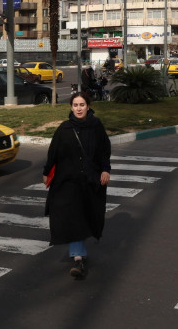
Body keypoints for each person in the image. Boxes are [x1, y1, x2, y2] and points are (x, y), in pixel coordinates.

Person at [42, 92, 112, 280]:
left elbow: (104, 151)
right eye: (75, 105)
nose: (79, 108)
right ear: (71, 107)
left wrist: (105, 170)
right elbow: (53, 153)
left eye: (82, 105)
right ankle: (78, 258)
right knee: (73, 217)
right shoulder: (64, 128)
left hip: (90, 180)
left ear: (88, 106)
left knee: (88, 215)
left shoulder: (96, 126)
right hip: (68, 181)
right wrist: (46, 172)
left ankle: (81, 248)